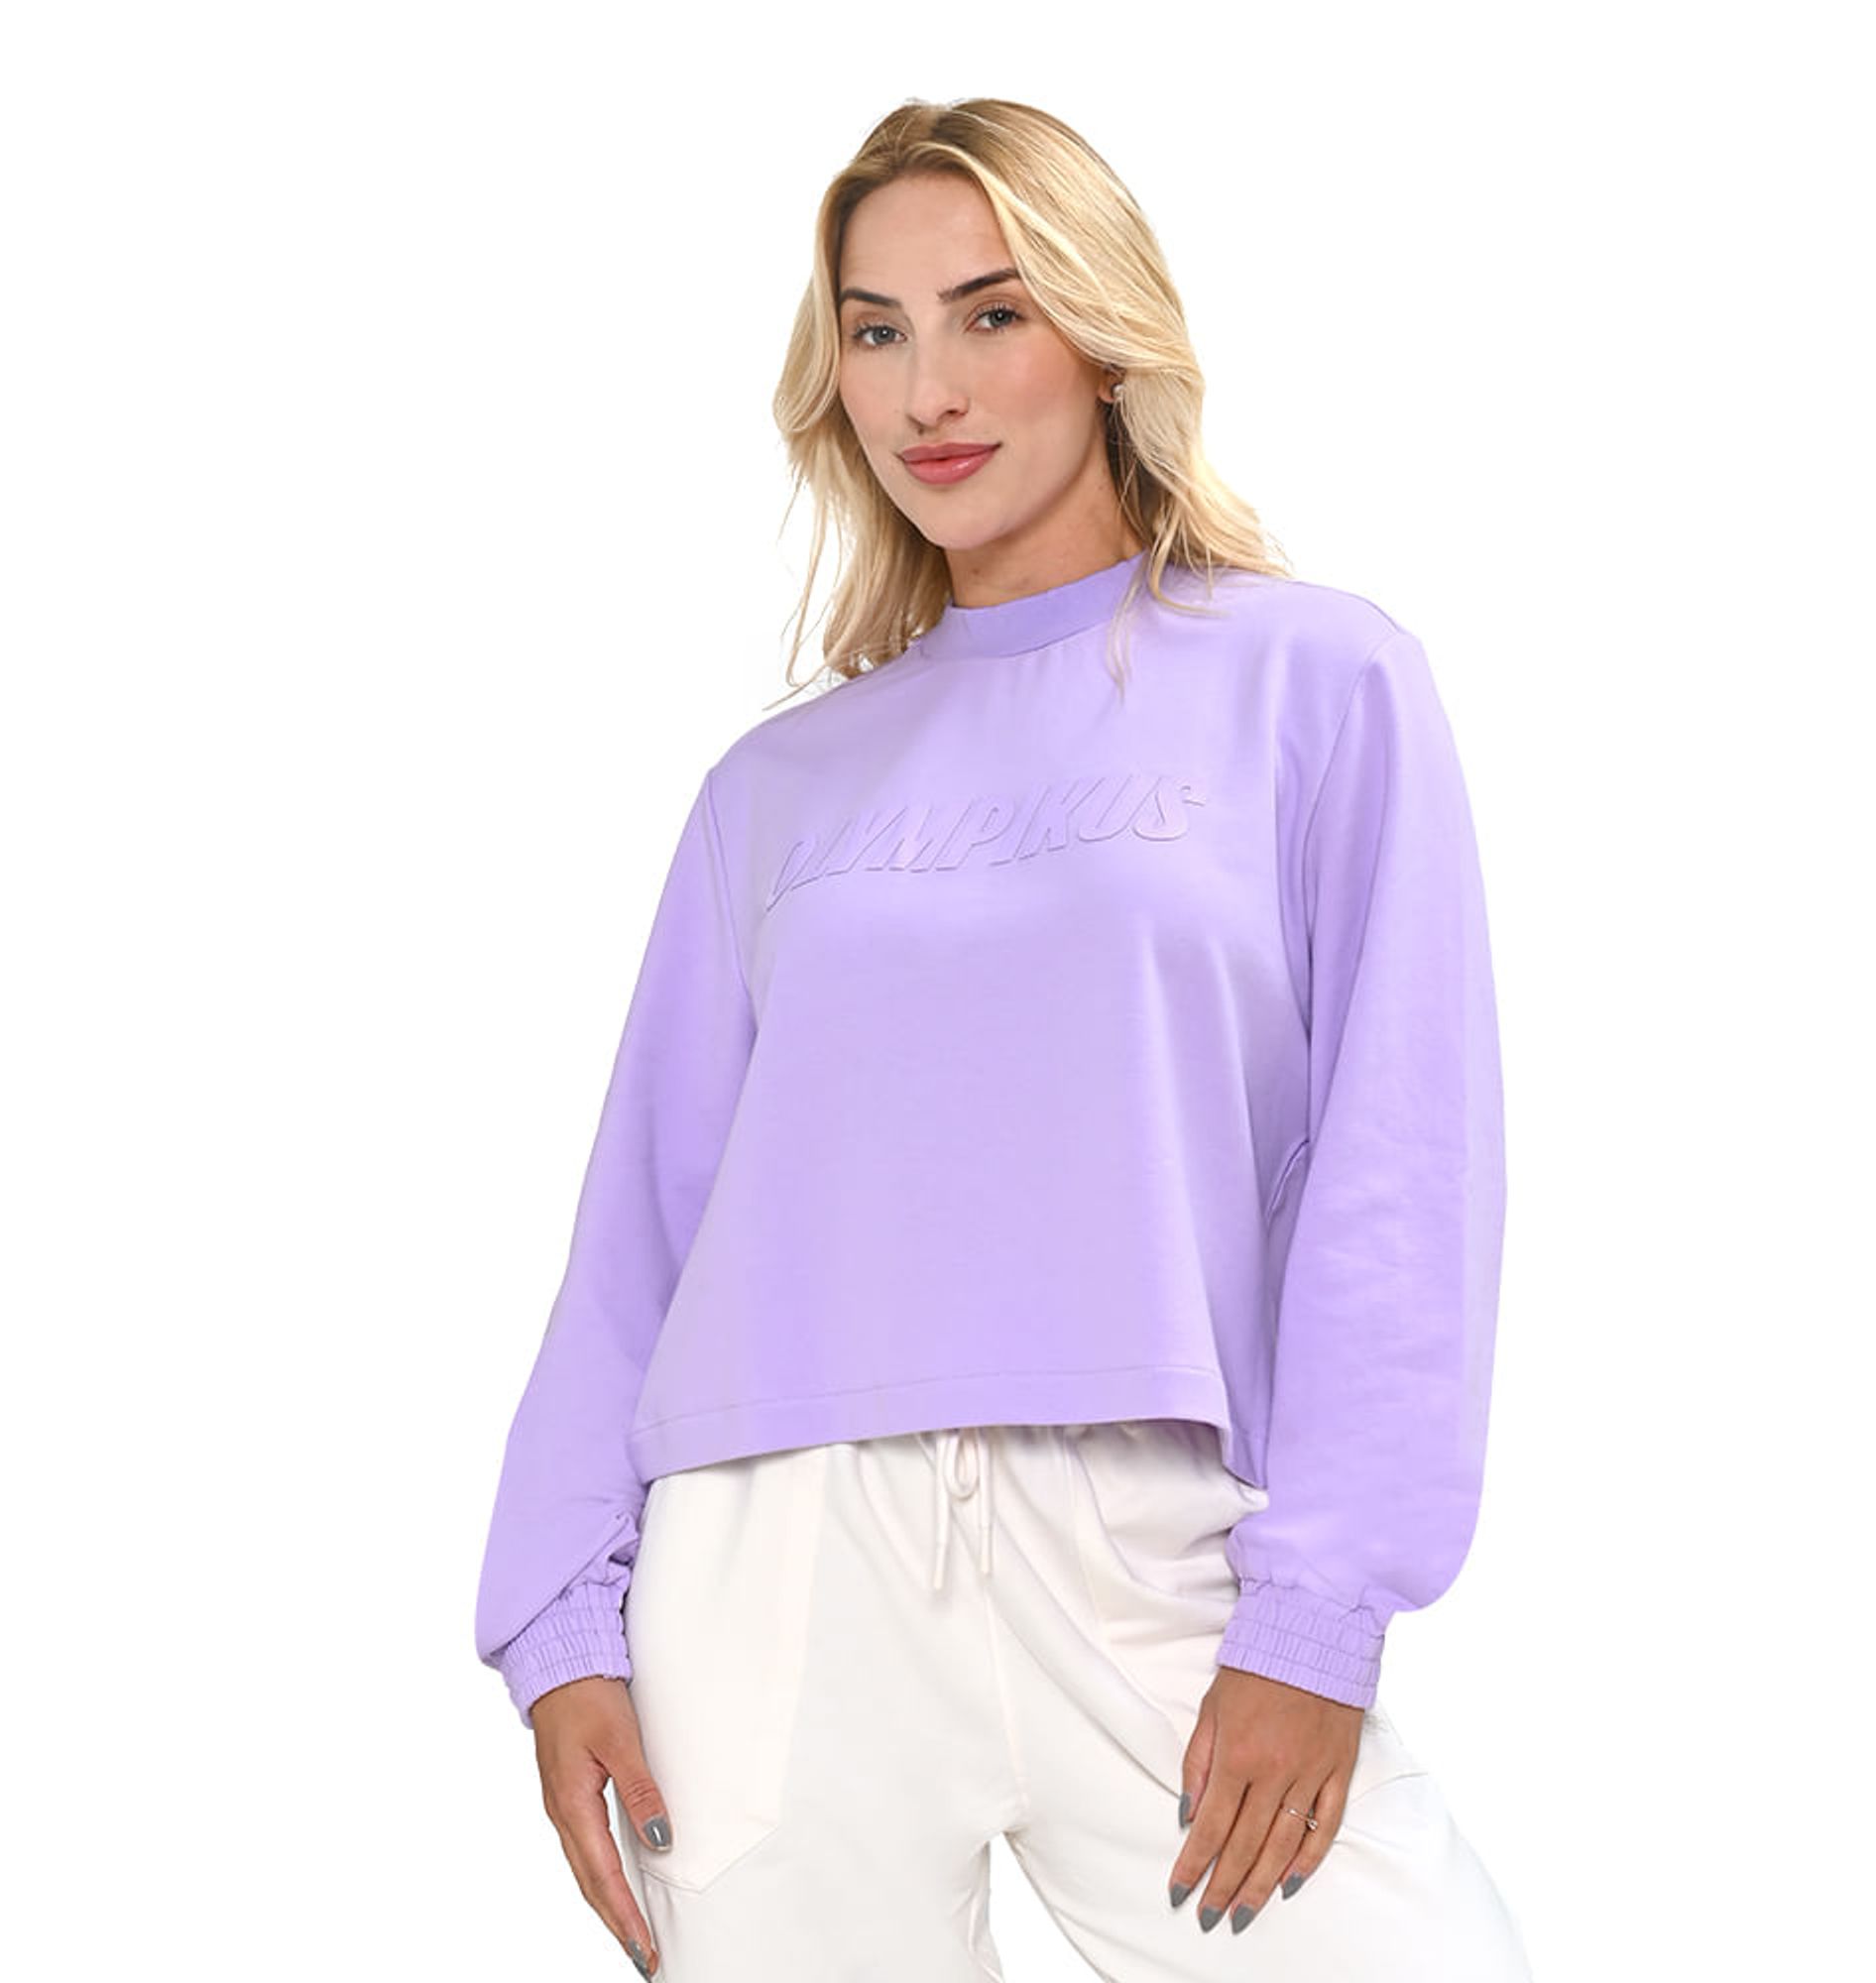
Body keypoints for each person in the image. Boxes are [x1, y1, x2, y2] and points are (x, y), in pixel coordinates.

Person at [473, 95, 1533, 1982]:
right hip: (775, 1564)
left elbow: (1401, 1167)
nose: (929, 391)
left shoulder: (1318, 683)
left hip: (1148, 1545)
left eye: (990, 313)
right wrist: (560, 1619)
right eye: (876, 331)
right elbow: (644, 1227)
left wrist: (1320, 1612)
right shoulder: (773, 791)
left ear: (1105, 338)